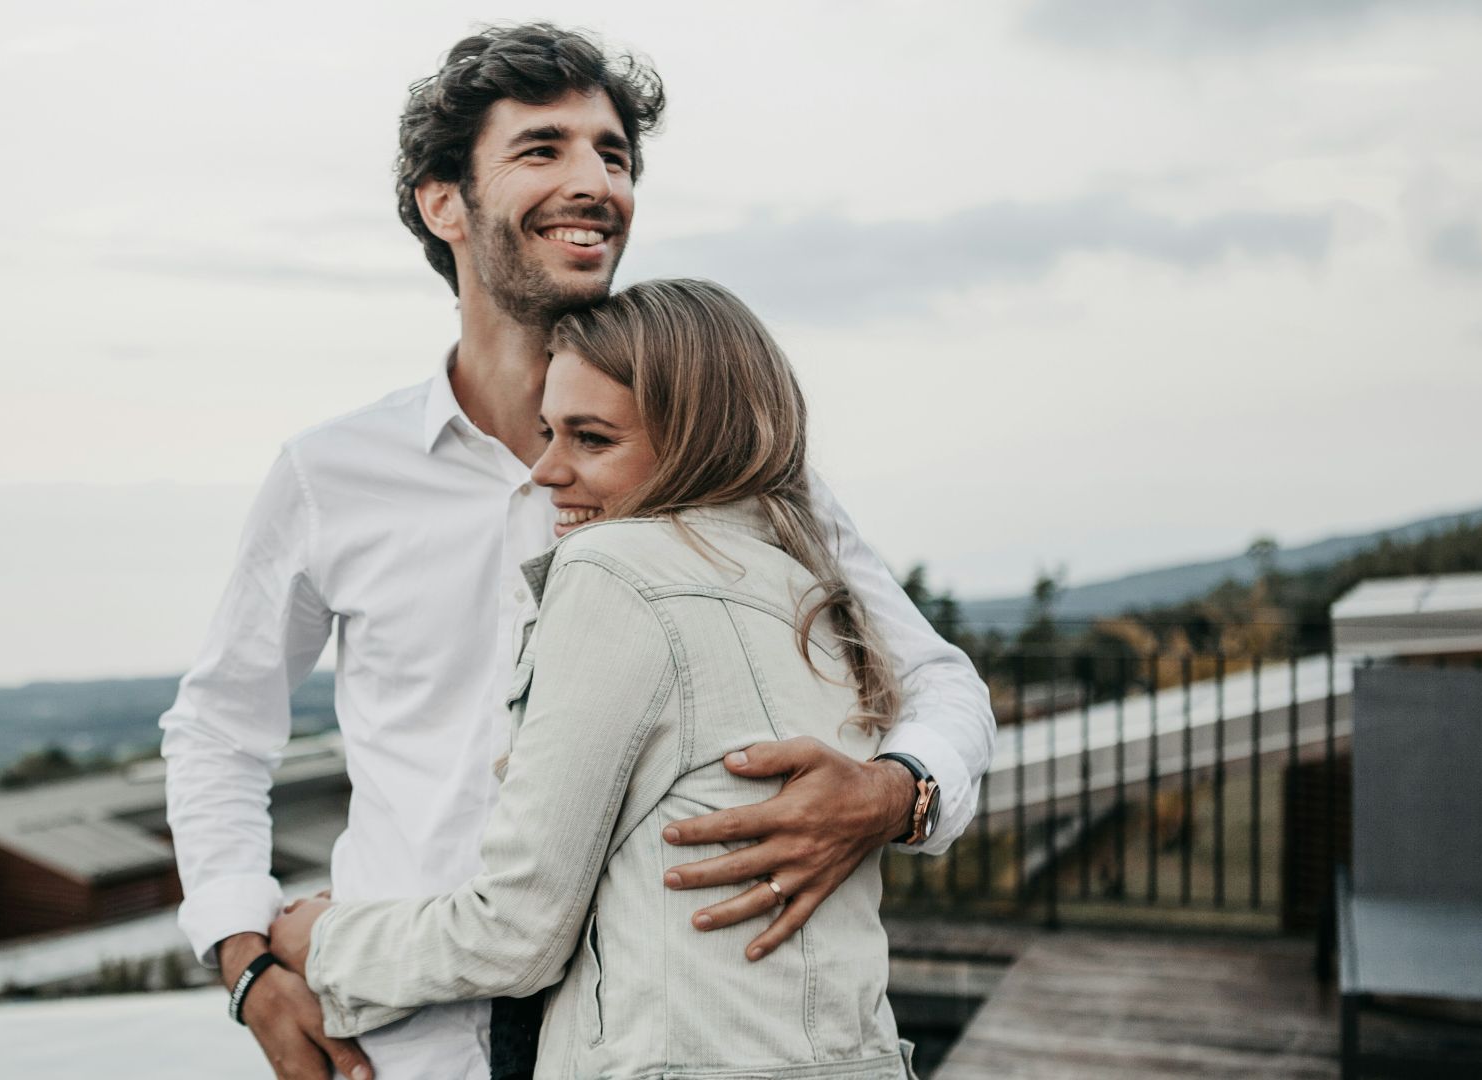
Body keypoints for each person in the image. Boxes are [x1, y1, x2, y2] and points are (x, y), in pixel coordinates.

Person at [157, 24, 993, 1080]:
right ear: (443, 202)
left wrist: (896, 793)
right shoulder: (332, 473)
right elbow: (220, 729)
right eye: (543, 149)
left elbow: (935, 678)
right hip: (405, 1036)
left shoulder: (723, 463)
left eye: (614, 155)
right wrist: (244, 961)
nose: (595, 181)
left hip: (650, 1034)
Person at [266, 278, 924, 1079]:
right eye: (548, 432)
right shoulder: (815, 589)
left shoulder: (613, 570)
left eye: (591, 439)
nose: (546, 471)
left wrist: (322, 943)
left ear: (697, 440)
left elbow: (517, 933)